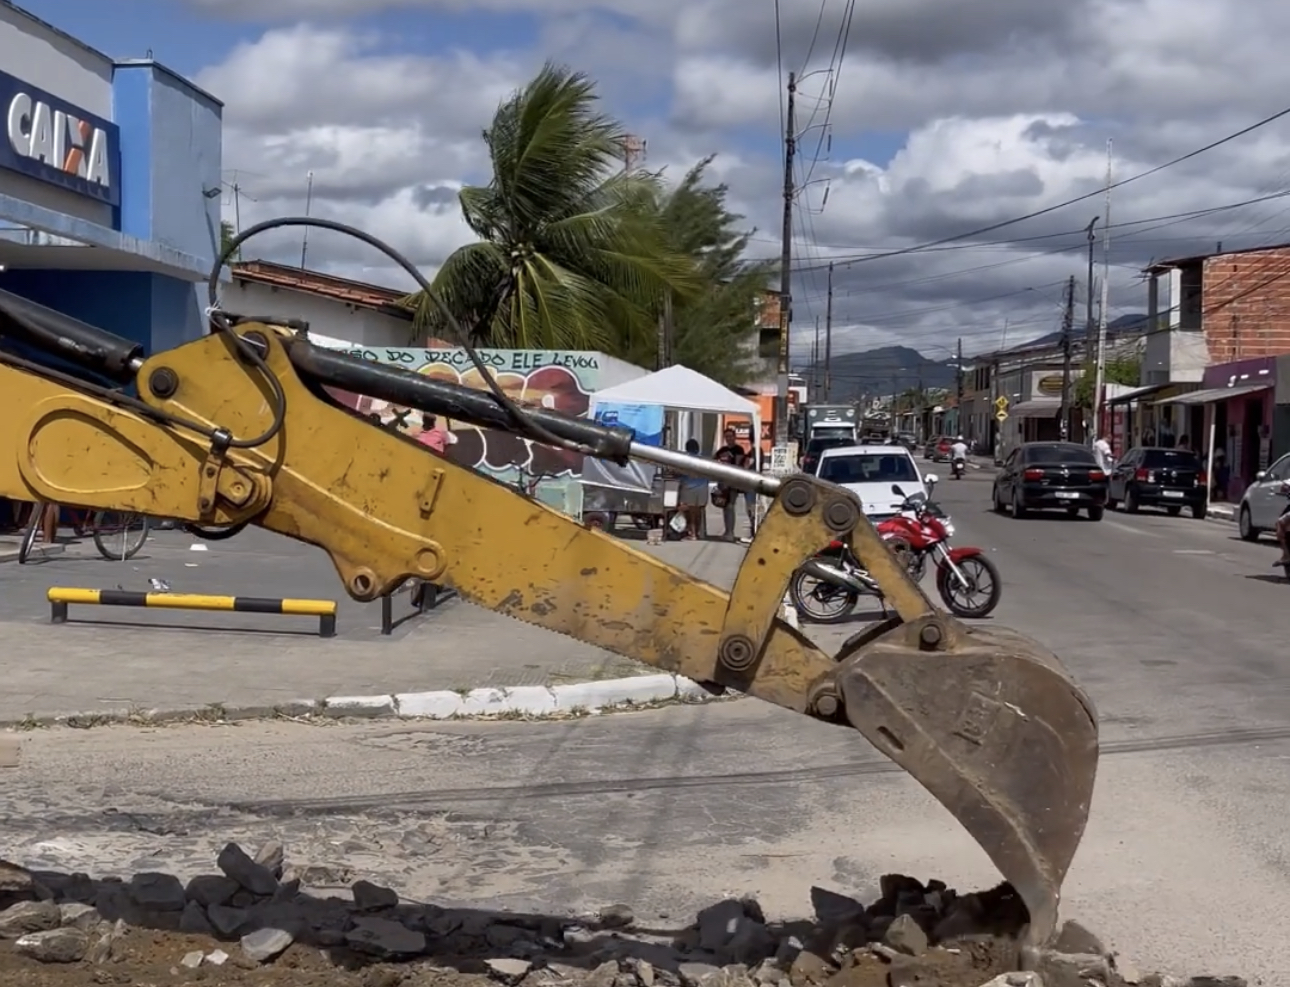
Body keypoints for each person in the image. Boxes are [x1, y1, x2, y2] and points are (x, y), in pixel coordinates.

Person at [713, 428, 753, 541]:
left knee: (730, 506)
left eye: (731, 436)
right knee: (725, 507)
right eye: (727, 436)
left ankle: (730, 532)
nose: (729, 438)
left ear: (734, 437)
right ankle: (727, 531)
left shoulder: (739, 449)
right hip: (723, 483)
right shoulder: (721, 450)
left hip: (734, 482)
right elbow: (714, 462)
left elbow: (738, 465)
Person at [677, 439, 709, 540]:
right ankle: (700, 533)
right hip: (703, 488)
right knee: (699, 511)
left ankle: (693, 534)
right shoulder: (703, 460)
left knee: (690, 513)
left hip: (688, 488)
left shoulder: (685, 460)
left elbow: (679, 473)